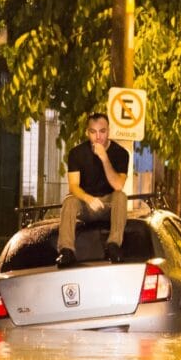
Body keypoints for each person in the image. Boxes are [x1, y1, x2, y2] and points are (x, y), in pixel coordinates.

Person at [56, 112, 129, 268]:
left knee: (120, 196)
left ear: (109, 131)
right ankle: (66, 250)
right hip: (86, 205)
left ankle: (113, 245)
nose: (98, 137)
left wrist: (104, 158)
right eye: (93, 132)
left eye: (102, 131)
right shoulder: (76, 153)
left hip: (109, 205)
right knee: (69, 200)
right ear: (87, 132)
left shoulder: (121, 153)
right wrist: (88, 199)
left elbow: (118, 185)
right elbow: (73, 186)